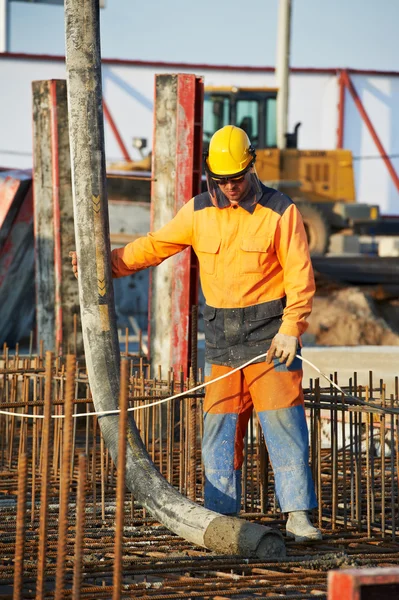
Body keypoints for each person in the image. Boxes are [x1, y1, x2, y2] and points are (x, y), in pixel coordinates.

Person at [70, 125, 321, 542]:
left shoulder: (281, 212)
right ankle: (223, 520)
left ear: (251, 166)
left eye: (236, 179)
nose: (230, 187)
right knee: (219, 433)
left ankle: (298, 516)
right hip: (223, 343)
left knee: (284, 426)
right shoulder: (199, 211)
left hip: (269, 341)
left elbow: (300, 277)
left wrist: (291, 328)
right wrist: (105, 264)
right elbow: (154, 246)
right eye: (221, 180)